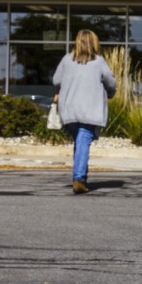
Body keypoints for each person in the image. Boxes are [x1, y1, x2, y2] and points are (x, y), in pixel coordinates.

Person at [53, 29, 116, 194]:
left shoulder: (67, 59)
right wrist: (110, 93)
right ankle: (79, 179)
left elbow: (56, 80)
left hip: (69, 109)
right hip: (90, 110)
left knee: (79, 143)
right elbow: (110, 82)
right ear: (94, 43)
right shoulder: (99, 61)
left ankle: (81, 177)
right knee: (82, 143)